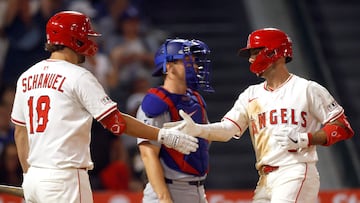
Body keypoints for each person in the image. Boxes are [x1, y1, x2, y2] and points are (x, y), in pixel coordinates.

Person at [10, 11, 198, 203]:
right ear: (73, 38)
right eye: (86, 35)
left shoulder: (26, 76)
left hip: (34, 178)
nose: (89, 41)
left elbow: (20, 133)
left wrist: (28, 176)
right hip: (64, 180)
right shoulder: (78, 76)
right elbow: (115, 122)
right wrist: (162, 135)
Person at [167, 28, 355, 203]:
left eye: (256, 52)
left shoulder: (307, 89)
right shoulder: (251, 94)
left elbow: (342, 126)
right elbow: (227, 130)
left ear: (275, 52)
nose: (251, 59)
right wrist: (198, 129)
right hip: (265, 178)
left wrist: (306, 139)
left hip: (296, 170)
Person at [137, 38, 214, 203]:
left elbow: (205, 143)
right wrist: (164, 198)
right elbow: (148, 154)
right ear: (169, 66)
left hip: (198, 189)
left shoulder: (196, 100)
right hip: (169, 189)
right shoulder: (155, 103)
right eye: (187, 62)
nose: (194, 67)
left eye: (194, 62)